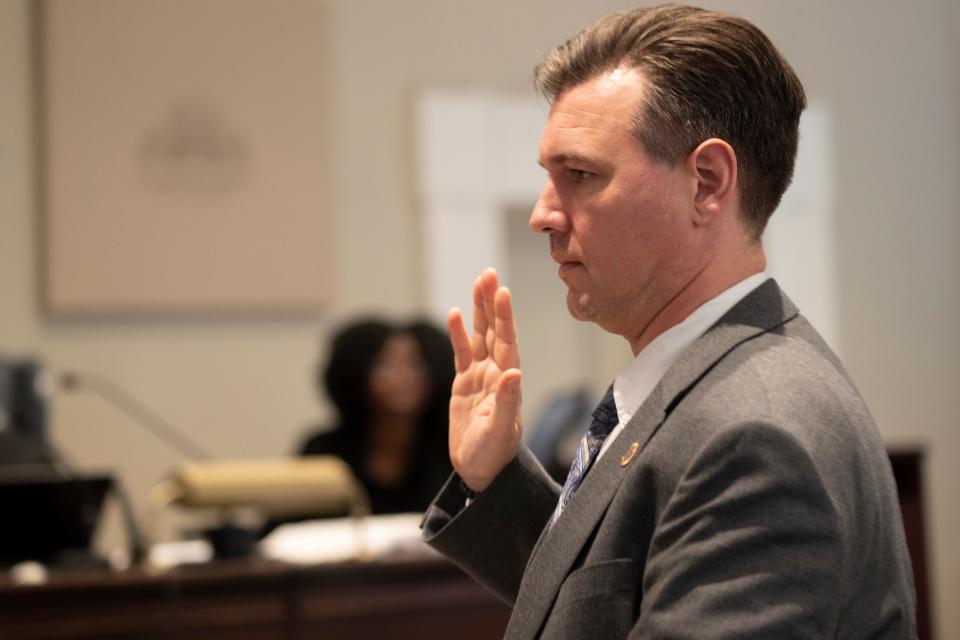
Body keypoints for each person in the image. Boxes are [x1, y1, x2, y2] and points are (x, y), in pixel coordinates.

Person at [420, 5, 916, 638]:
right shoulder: (708, 383)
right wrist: (495, 480)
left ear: (707, 183)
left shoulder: (755, 433)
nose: (542, 214)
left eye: (579, 174)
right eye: (548, 177)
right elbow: (609, 606)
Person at [300, 318, 454, 515]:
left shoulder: (450, 452)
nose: (403, 378)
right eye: (385, 365)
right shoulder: (324, 451)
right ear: (357, 373)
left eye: (416, 365)